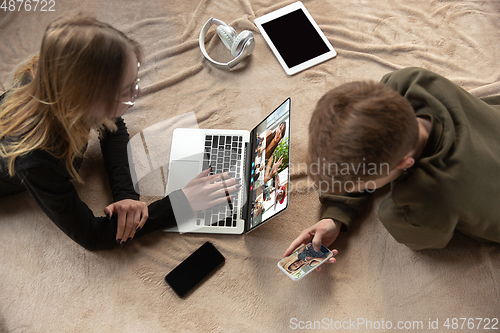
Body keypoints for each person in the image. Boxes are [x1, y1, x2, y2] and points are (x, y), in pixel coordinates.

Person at [0, 14, 238, 251]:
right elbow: (92, 236)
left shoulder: (58, 72)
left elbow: (112, 129)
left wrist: (126, 196)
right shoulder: (36, 161)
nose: (139, 92)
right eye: (128, 90)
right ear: (85, 102)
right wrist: (182, 204)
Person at [284, 67, 500, 263]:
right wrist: (335, 213)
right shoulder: (410, 81)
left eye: (361, 185)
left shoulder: (423, 200)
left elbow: (426, 240)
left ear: (405, 163)